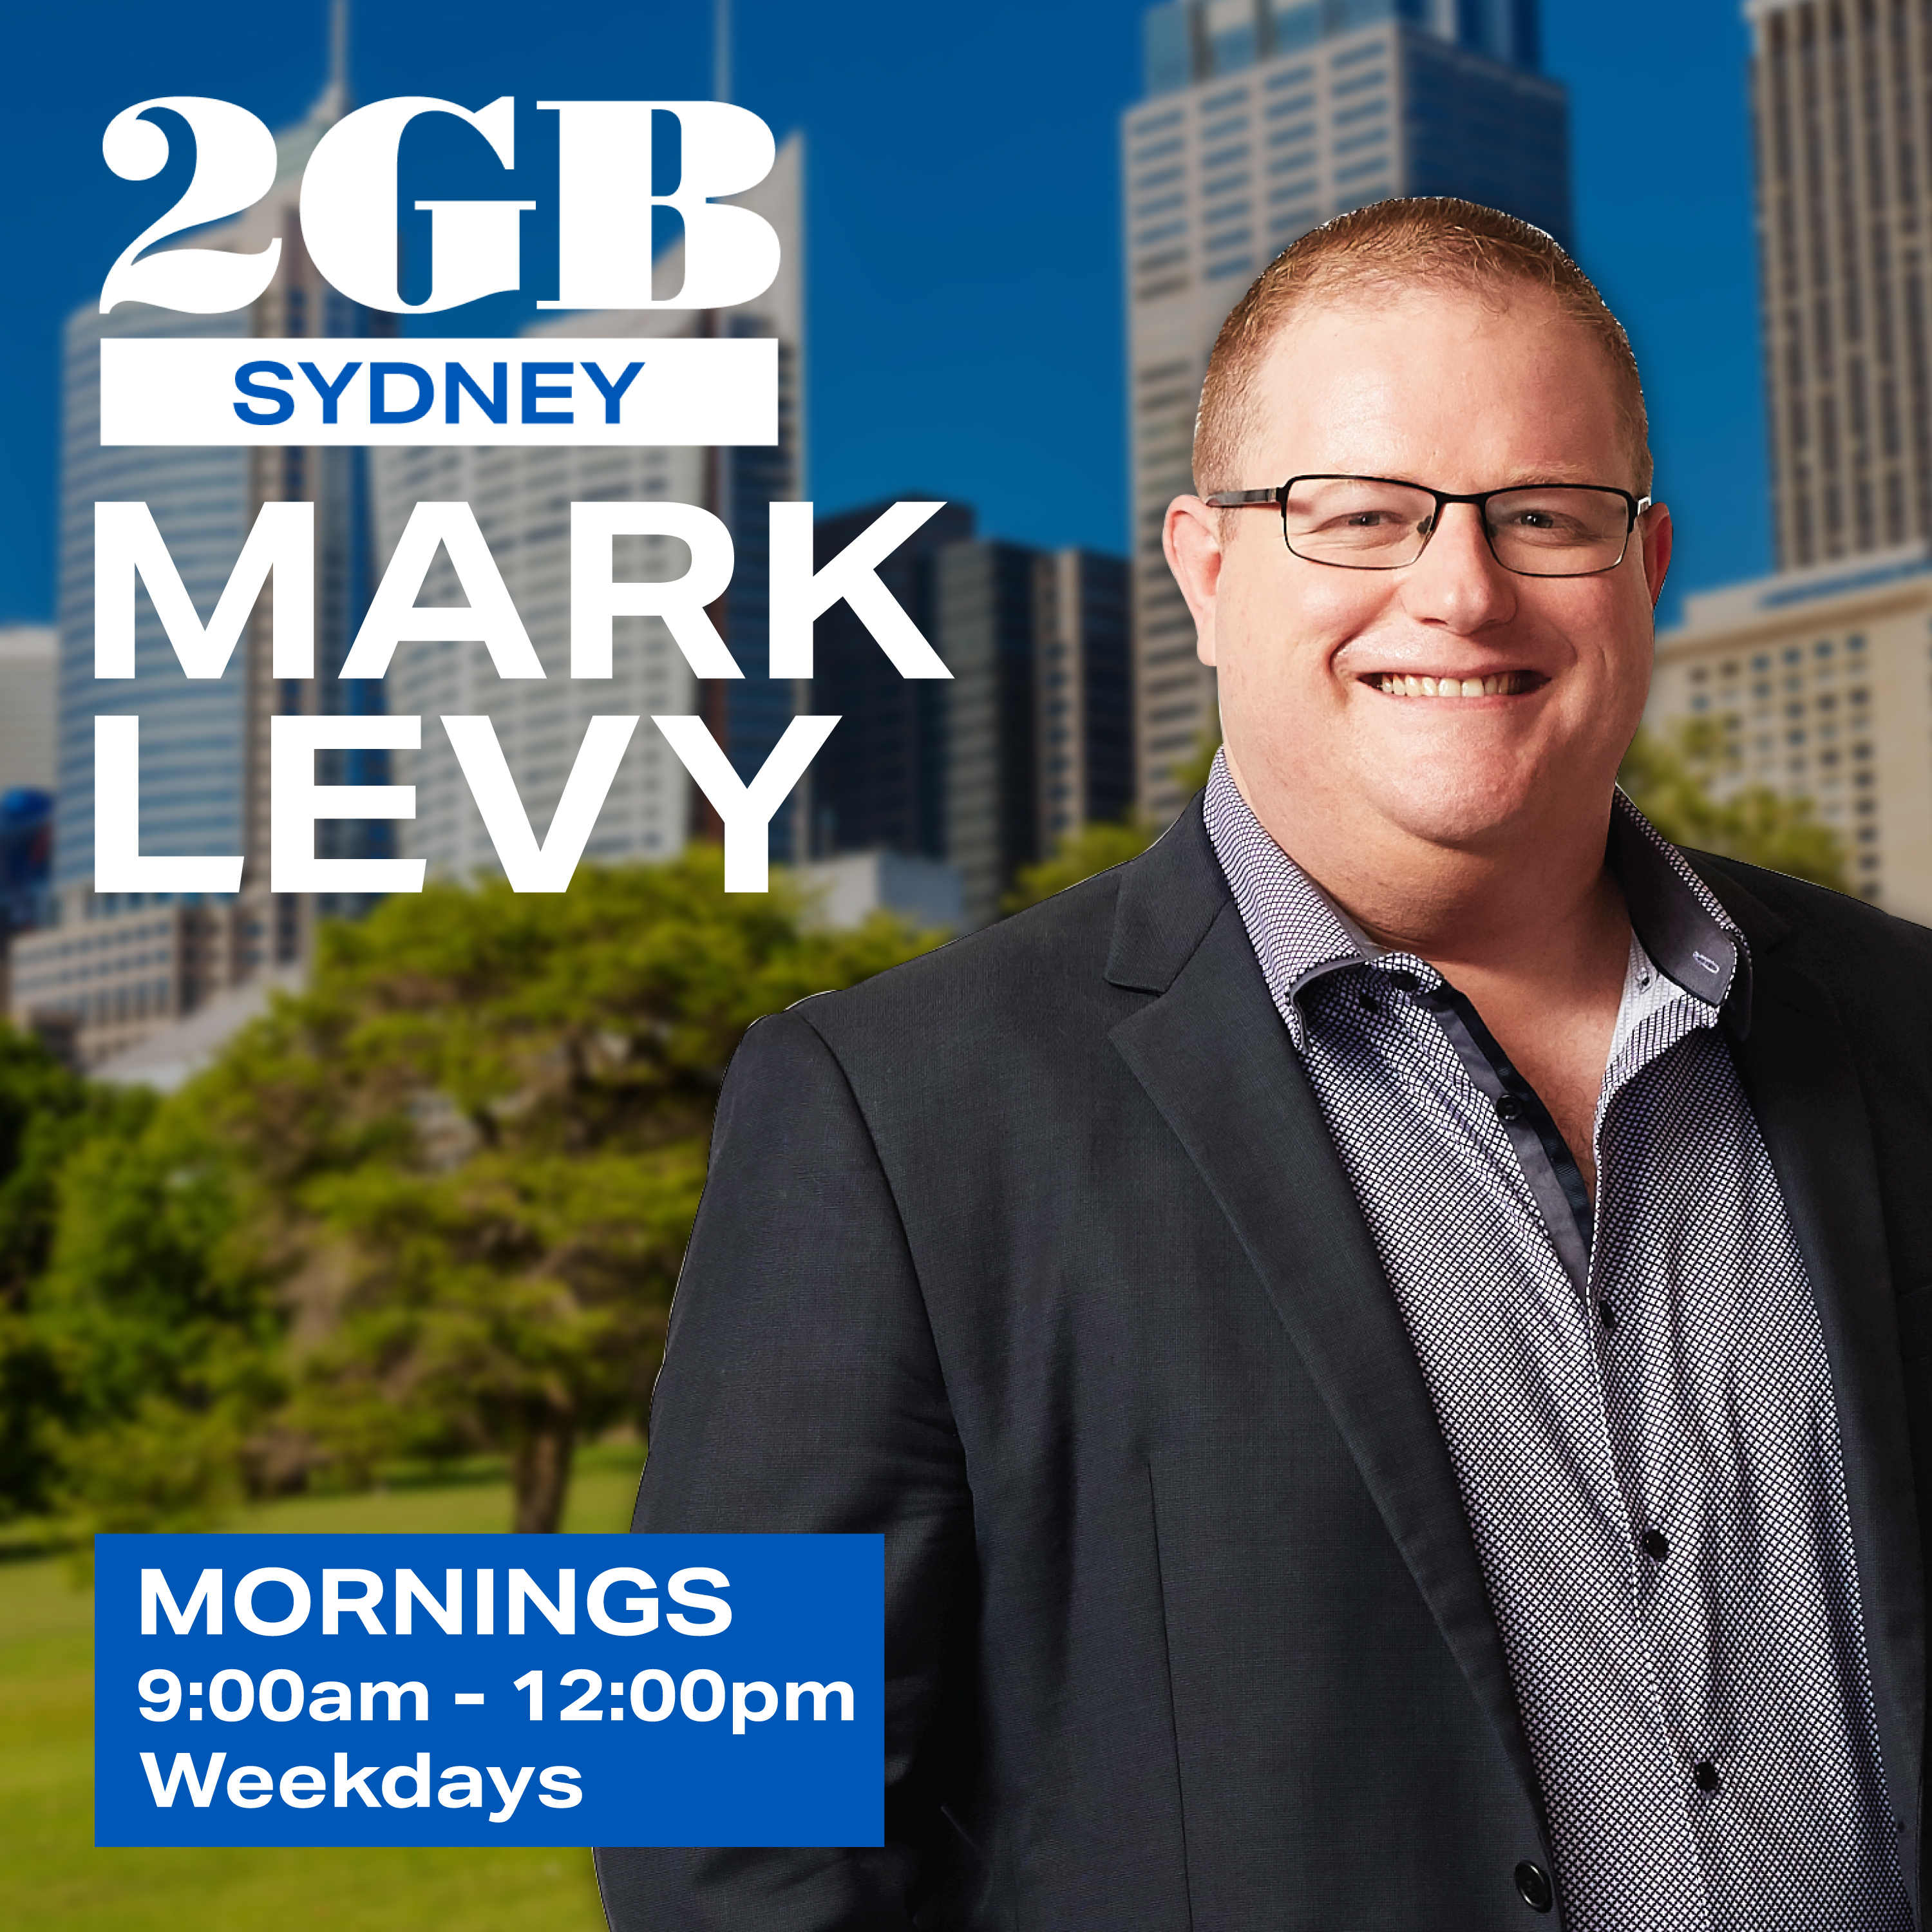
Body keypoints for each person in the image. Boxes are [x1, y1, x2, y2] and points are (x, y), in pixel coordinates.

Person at [596, 199, 1931, 1931]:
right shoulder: (895, 1115)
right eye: (1357, 516)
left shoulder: (1900, 1030)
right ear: (1208, 570)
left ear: (1646, 571)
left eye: (1545, 516)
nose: (1458, 589)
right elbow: (719, 1835)